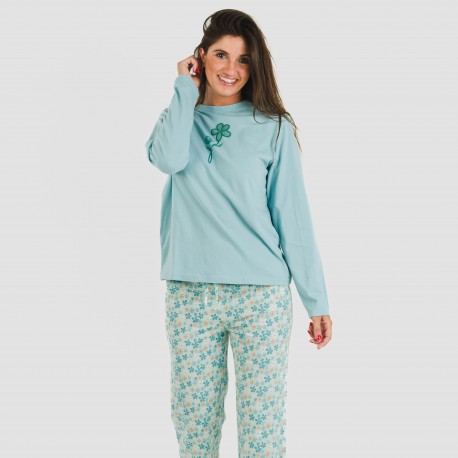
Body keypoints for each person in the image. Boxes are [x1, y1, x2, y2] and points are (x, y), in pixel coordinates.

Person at [145, 8, 333, 457]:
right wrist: (183, 89)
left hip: (260, 298)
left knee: (262, 427)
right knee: (193, 425)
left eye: (244, 59)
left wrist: (317, 300)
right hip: (190, 294)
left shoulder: (273, 126)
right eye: (221, 55)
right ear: (201, 57)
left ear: (255, 66)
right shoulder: (180, 116)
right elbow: (167, 160)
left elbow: (293, 217)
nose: (232, 68)